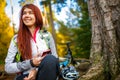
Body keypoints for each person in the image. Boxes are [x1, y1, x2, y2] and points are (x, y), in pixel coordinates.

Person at [5, 4, 59, 80]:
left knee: (50, 59)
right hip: (25, 76)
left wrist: (36, 71)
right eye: (24, 13)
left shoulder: (47, 35)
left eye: (30, 13)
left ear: (37, 16)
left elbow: (55, 59)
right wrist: (31, 63)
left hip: (45, 74)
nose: (27, 15)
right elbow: (8, 67)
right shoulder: (16, 39)